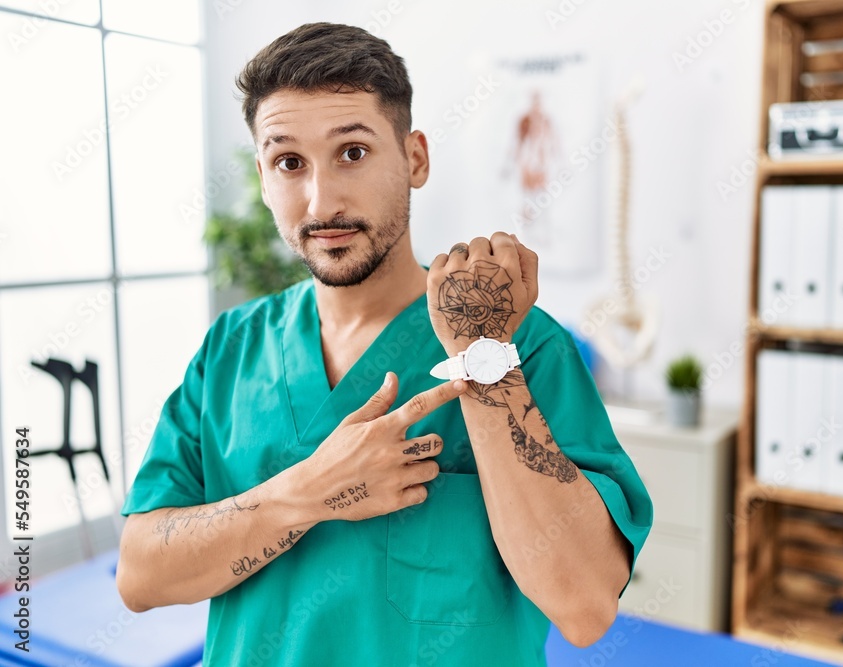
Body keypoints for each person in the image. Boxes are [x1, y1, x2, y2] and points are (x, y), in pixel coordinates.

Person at [115, 22, 652, 667]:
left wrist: (482, 359)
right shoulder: (230, 348)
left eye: (352, 153)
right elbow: (141, 575)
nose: (322, 201)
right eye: (290, 163)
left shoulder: (523, 344)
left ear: (415, 158)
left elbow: (586, 607)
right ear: (263, 177)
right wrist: (312, 490)